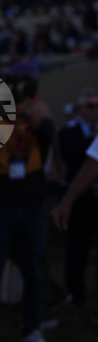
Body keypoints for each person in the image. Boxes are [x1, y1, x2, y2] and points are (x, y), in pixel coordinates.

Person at [0, 61, 54, 342]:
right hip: (0, 202)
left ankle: (32, 325)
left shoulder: (40, 112)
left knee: (33, 267)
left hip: (32, 201)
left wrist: (31, 115)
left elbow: (48, 133)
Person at [54, 88, 98, 308]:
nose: (95, 111)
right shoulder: (69, 130)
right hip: (79, 198)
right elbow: (71, 154)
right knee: (76, 249)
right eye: (90, 106)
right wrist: (92, 140)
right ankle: (75, 294)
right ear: (80, 108)